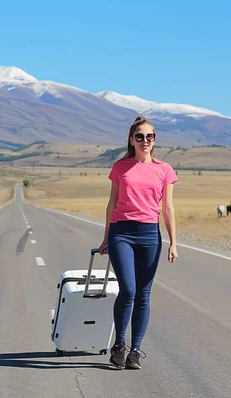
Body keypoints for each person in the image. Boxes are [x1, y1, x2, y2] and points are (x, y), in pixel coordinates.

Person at [98, 116, 178, 370]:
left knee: (144, 294)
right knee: (129, 290)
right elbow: (112, 203)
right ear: (131, 140)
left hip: (149, 235)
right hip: (121, 232)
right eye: (140, 137)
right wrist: (106, 236)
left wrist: (173, 242)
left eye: (150, 137)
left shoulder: (164, 169)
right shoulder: (120, 167)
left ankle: (135, 350)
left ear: (155, 140)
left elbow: (168, 208)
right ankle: (118, 346)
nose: (145, 141)